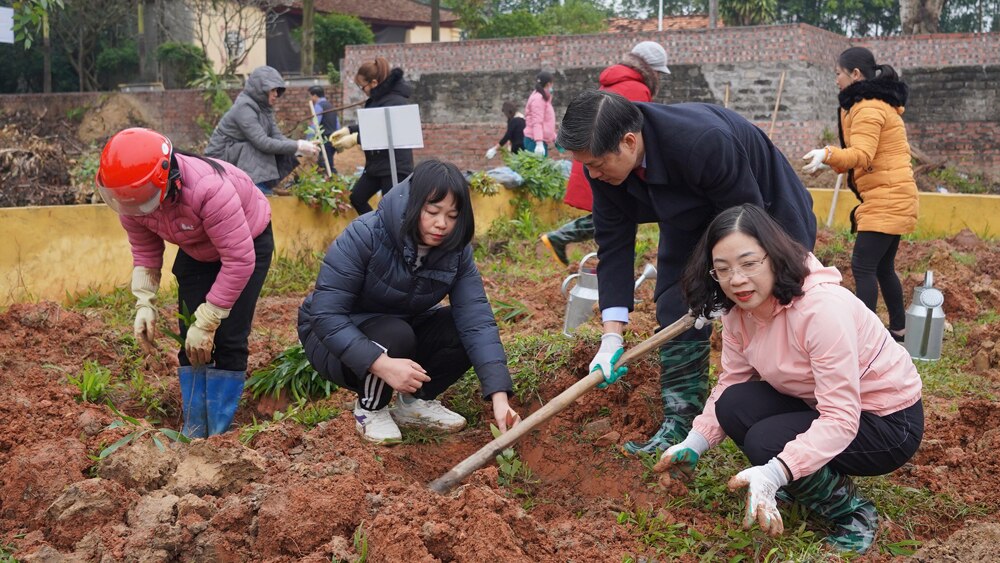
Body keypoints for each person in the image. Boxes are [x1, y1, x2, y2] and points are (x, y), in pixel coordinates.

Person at [557, 90, 817, 456]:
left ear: (629, 142)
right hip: (688, 214)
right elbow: (613, 244)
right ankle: (681, 422)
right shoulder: (604, 171)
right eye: (586, 166)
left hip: (764, 211)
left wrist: (723, 290)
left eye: (597, 164)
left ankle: (795, 412)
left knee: (774, 305)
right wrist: (611, 336)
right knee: (674, 304)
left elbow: (744, 224)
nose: (593, 174)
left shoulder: (702, 141)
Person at [655, 204, 923, 554]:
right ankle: (797, 478)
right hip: (818, 403)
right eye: (723, 269)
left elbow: (841, 418)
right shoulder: (740, 311)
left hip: (887, 421)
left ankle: (853, 514)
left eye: (750, 264)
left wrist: (776, 470)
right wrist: (695, 442)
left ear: (775, 257)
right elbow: (730, 383)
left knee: (767, 442)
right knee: (733, 404)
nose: (737, 280)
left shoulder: (821, 310)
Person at [297, 159, 521, 445]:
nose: (442, 224)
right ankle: (371, 408)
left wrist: (499, 397)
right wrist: (382, 365)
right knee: (395, 334)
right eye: (433, 211)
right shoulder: (365, 234)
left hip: (402, 325)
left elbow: (477, 320)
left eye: (452, 216)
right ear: (415, 204)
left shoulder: (455, 251)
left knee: (460, 328)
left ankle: (416, 403)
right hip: (331, 338)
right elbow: (326, 315)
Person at [96, 127, 273, 439]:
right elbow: (145, 250)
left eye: (141, 200)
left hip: (246, 246)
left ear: (165, 179)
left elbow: (239, 260)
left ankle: (219, 435)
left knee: (228, 336)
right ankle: (194, 429)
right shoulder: (131, 199)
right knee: (188, 336)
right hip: (197, 247)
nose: (134, 209)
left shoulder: (208, 189)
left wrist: (210, 320)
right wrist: (144, 302)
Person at [802, 47, 917, 343]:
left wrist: (827, 154)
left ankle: (864, 337)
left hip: (887, 198)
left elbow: (862, 154)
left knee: (863, 266)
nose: (835, 80)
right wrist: (828, 162)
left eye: (838, 74)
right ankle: (898, 331)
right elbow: (865, 158)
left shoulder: (866, 106)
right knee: (882, 267)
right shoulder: (875, 103)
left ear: (855, 74)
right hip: (894, 195)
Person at [541, 41, 670, 266]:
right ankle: (560, 237)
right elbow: (640, 136)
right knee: (614, 213)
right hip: (607, 163)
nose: (659, 77)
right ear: (650, 69)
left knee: (609, 213)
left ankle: (560, 238)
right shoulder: (636, 89)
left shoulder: (614, 84)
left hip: (596, 161)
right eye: (658, 72)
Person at [206, 65, 319, 195]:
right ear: (261, 89)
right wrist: (297, 145)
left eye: (278, 91)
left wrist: (301, 147)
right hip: (220, 160)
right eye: (273, 90)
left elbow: (278, 137)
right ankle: (258, 191)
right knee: (257, 146)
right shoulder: (244, 107)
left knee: (284, 148)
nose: (276, 94)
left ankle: (263, 187)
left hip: (237, 156)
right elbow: (261, 142)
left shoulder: (265, 109)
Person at [329, 57, 414, 215]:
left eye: (363, 87)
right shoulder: (378, 99)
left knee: (390, 210)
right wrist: (349, 129)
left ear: (374, 83)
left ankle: (386, 235)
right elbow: (373, 125)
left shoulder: (395, 101)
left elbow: (387, 132)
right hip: (376, 164)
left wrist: (356, 139)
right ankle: (375, 228)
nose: (363, 91)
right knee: (358, 198)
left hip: (394, 165)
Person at [523, 71, 556, 157]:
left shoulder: (544, 98)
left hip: (539, 140)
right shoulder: (538, 99)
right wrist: (539, 143)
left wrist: (553, 137)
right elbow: (537, 122)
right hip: (534, 141)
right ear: (549, 84)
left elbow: (546, 122)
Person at [308, 85, 339, 176]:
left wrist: (309, 140)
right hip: (333, 138)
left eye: (310, 96)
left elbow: (315, 124)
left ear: (315, 96)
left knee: (327, 165)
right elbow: (337, 124)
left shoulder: (318, 106)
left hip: (324, 139)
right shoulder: (331, 105)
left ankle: (335, 180)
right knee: (324, 162)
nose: (310, 99)